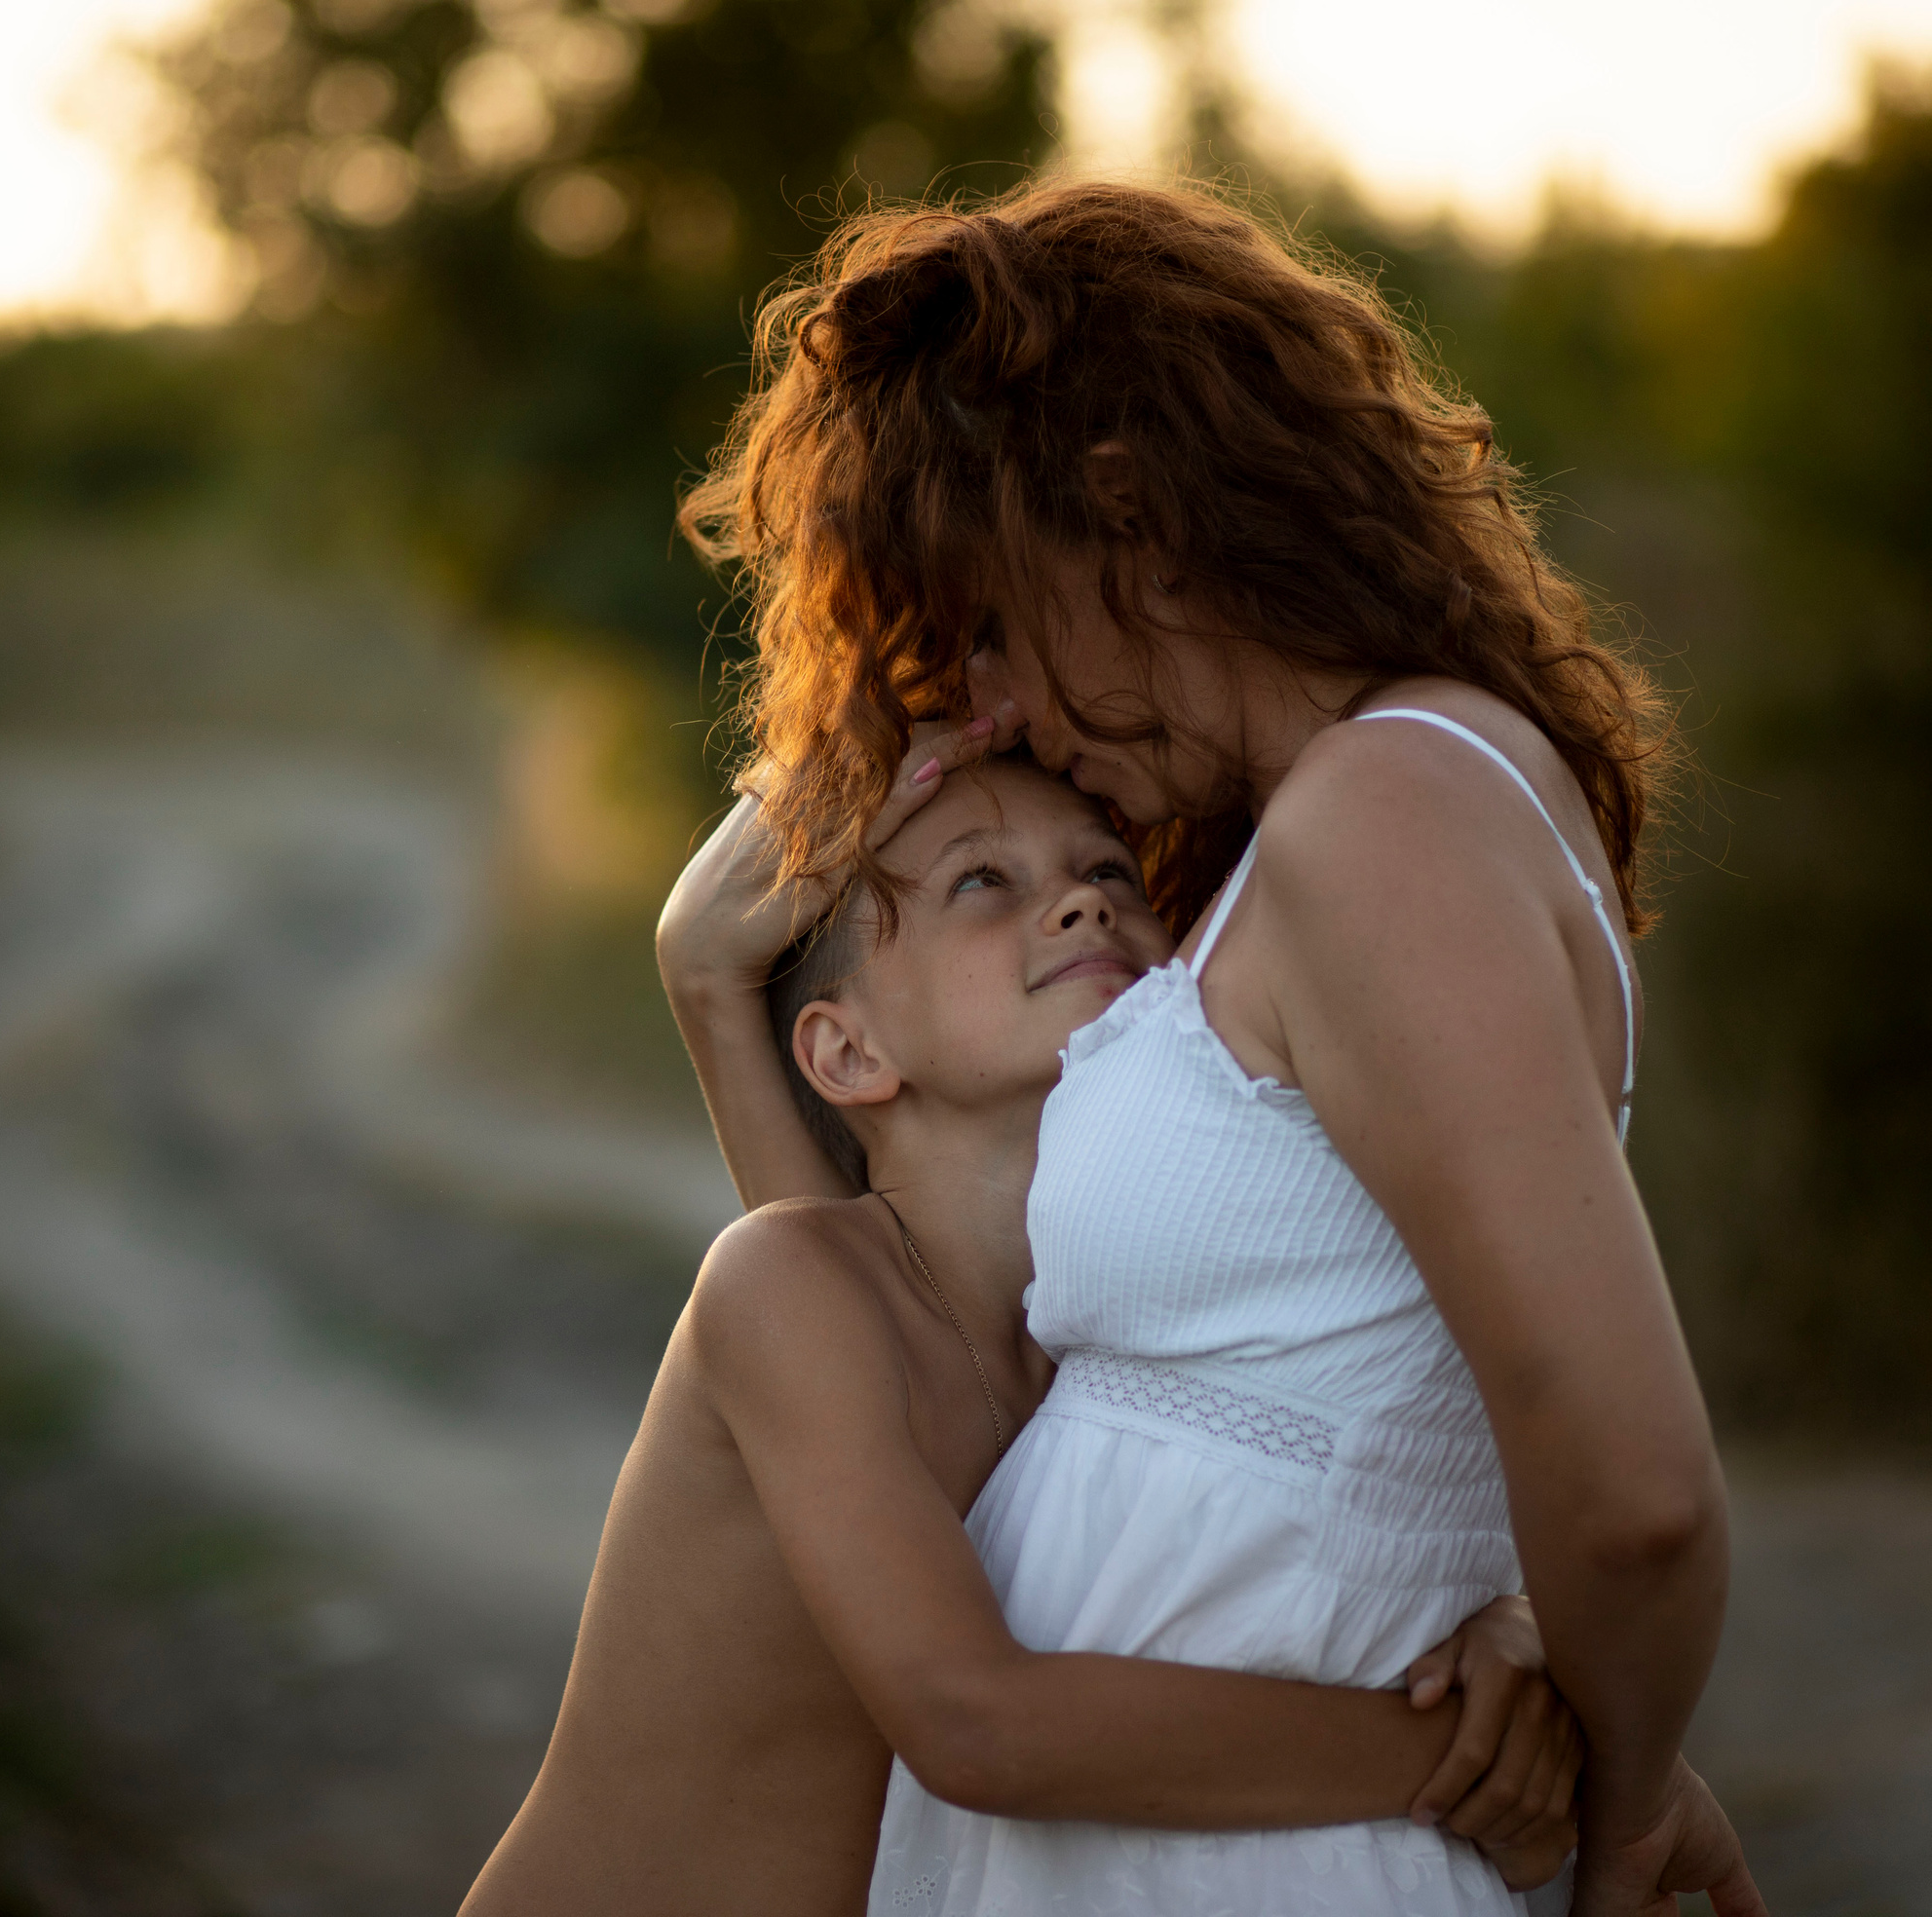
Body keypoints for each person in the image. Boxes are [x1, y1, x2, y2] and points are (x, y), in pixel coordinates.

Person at [662, 178, 1766, 1915]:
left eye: (1000, 628)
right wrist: (717, 988)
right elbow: (948, 1369)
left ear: (1128, 516)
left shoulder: (1387, 812)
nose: (998, 706)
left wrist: (1618, 1791)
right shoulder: (1321, 832)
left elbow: (1628, 1486)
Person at [463, 755, 1581, 1917]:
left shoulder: (1113, 1360)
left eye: (1108, 870)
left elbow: (1308, 1523)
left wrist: (1505, 1621)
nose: (1086, 901)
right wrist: (1460, 1765)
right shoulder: (785, 1285)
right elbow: (974, 1727)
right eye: (980, 881)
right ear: (848, 1054)